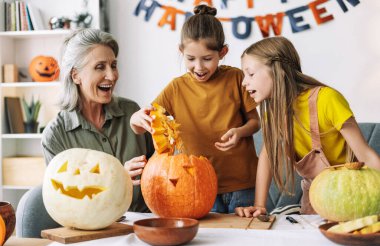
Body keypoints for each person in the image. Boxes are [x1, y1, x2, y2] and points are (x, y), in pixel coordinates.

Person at [130, 5, 261, 213]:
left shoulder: (236, 78)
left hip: (243, 184)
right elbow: (144, 124)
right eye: (191, 59)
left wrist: (240, 132)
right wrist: (135, 118)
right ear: (181, 52)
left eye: (207, 59)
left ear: (223, 52)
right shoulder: (176, 88)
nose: (199, 67)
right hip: (199, 186)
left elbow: (255, 122)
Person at [235, 36, 380, 218]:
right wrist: (259, 205)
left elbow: (366, 155)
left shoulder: (327, 99)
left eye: (250, 74)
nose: (244, 82)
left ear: (277, 71)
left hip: (354, 197)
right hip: (313, 199)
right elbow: (268, 158)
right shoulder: (274, 114)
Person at [36, 29, 154, 229]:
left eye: (113, 65)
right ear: (76, 76)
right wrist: (118, 179)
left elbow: (162, 167)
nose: (112, 75)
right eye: (100, 67)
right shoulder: (55, 136)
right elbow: (67, 202)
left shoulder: (131, 112)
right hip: (92, 234)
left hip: (145, 227)